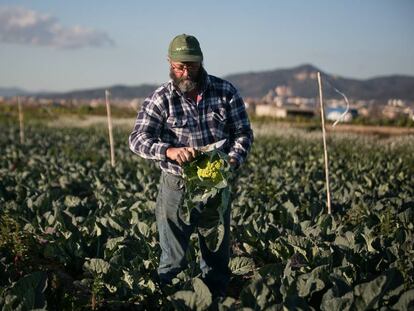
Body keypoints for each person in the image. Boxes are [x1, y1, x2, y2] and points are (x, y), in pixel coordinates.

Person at [129, 34, 253, 298]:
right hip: (177, 186)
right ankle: (171, 301)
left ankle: (216, 300)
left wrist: (232, 159)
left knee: (217, 255)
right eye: (179, 67)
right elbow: (137, 139)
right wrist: (169, 151)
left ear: (201, 62)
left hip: (216, 187)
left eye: (192, 66)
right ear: (169, 63)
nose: (185, 72)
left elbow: (242, 132)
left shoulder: (225, 92)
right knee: (173, 257)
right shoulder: (161, 98)